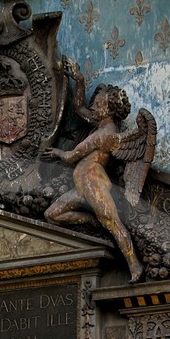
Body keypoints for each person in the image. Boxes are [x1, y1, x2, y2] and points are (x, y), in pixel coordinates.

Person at [42, 83, 144, 281]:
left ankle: (134, 264)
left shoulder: (104, 134)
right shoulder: (100, 125)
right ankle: (94, 222)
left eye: (98, 104)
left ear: (109, 110)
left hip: (92, 182)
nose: (94, 107)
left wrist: (56, 152)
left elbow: (72, 157)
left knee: (113, 223)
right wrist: (77, 80)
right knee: (52, 214)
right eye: (95, 103)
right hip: (82, 185)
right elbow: (79, 108)